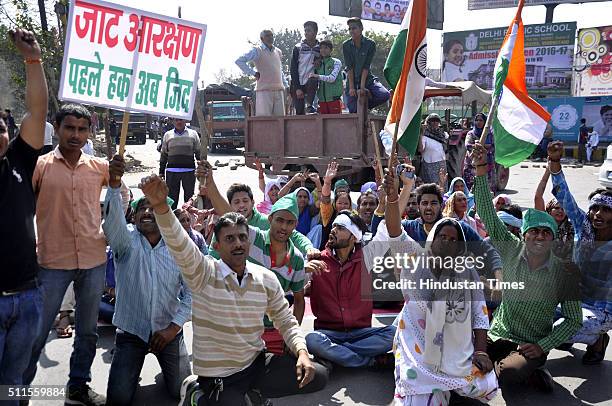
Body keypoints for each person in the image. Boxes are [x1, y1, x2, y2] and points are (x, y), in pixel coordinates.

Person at [137, 175, 328, 405]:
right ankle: (196, 393)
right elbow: (180, 243)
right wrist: (160, 207)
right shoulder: (203, 273)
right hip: (219, 376)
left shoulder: (265, 278)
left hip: (255, 364)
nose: (237, 243)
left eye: (242, 237)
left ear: (249, 242)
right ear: (216, 246)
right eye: (229, 238)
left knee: (318, 376)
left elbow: (285, 320)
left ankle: (252, 396)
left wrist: (302, 352)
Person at [471, 143, 582, 392]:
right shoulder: (510, 247)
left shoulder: (565, 272)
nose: (540, 237)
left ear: (553, 238)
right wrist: (480, 170)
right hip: (497, 333)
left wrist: (544, 344)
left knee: (509, 374)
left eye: (546, 232)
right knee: (460, 355)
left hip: (530, 344)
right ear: (524, 235)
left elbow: (574, 319)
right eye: (534, 232)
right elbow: (488, 214)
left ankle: (528, 370)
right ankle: (504, 369)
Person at [25, 103, 109, 405]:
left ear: (89, 132)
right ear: (56, 128)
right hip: (51, 262)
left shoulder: (101, 168)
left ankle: (78, 386)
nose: (76, 135)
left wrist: (118, 181)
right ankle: (18, 393)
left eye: (82, 129)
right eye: (69, 128)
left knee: (87, 332)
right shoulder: (40, 167)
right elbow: (22, 211)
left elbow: (118, 204)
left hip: (93, 259)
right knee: (35, 335)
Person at [306, 167, 419, 369]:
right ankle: (368, 361)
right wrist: (304, 271)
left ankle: (338, 356)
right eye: (333, 227)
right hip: (328, 332)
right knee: (312, 340)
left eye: (340, 228)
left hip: (361, 332)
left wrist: (406, 187)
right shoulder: (317, 261)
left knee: (394, 334)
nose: (333, 231)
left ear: (353, 237)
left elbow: (389, 226)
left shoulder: (366, 256)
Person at [103, 155, 192, 404]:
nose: (147, 212)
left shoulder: (180, 246)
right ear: (134, 216)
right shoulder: (125, 240)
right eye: (142, 207)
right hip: (131, 333)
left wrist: (173, 328)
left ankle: (168, 368)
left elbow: (192, 291)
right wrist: (113, 184)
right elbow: (112, 224)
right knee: (118, 399)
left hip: (169, 332)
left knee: (180, 391)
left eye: (153, 207)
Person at [390, 217, 498, 405]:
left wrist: (481, 352)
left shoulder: (467, 272)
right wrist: (392, 199)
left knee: (486, 385)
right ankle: (439, 392)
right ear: (432, 239)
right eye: (442, 237)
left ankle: (449, 390)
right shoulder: (415, 263)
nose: (447, 242)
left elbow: (480, 315)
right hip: (418, 351)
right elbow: (394, 231)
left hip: (454, 351)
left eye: (453, 239)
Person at [0, 29, 47, 404]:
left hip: (28, 297)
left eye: (0, 128)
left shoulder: (18, 159)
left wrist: (33, 59)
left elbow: (37, 111)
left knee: (16, 383)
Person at [547, 141, 612, 365]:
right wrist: (555, 163)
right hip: (572, 300)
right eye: (595, 208)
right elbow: (564, 197)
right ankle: (567, 336)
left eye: (606, 210)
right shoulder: (583, 227)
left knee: (559, 330)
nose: (598, 214)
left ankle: (597, 340)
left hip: (602, 309)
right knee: (537, 315)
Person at [236, 29, 289, 116]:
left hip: (279, 90)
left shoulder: (278, 51)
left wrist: (286, 85)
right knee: (264, 120)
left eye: (271, 35)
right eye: (267, 36)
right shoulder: (257, 50)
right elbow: (239, 61)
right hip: (264, 91)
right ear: (262, 38)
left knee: (280, 121)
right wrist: (253, 73)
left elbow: (280, 70)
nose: (270, 38)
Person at [343, 17, 390, 113]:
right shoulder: (346, 45)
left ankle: (365, 104)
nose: (351, 31)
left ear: (361, 29)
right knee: (353, 110)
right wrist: (352, 88)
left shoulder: (370, 44)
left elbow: (366, 67)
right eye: (349, 29)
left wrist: (362, 87)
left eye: (354, 28)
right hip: (352, 81)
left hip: (367, 79)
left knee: (384, 95)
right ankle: (362, 105)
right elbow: (349, 67)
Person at [159, 118, 201, 209]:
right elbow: (164, 155)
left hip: (189, 171)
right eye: (176, 120)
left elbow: (198, 153)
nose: (179, 122)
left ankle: (189, 220)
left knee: (189, 199)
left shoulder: (193, 134)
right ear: (173, 121)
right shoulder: (167, 135)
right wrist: (161, 172)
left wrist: (202, 168)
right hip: (172, 171)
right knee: (171, 199)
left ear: (185, 121)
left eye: (181, 120)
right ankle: (172, 220)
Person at [290, 21, 320, 115]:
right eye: (305, 30)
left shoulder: (321, 48)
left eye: (309, 30)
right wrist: (297, 88)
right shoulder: (298, 47)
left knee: (314, 79)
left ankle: (309, 105)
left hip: (311, 83)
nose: (306, 33)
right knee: (299, 113)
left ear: (315, 32)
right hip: (297, 83)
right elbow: (293, 68)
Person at [464, 113, 495, 192]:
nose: (478, 122)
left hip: (486, 164)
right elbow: (467, 145)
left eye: (481, 120)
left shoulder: (490, 134)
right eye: (477, 120)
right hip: (472, 165)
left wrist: (484, 147)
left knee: (486, 188)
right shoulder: (471, 134)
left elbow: (493, 146)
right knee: (472, 189)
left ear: (485, 122)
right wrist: (479, 146)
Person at [311, 40, 343, 115]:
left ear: (331, 50)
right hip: (322, 100)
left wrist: (318, 76)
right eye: (321, 48)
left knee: (336, 124)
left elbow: (332, 79)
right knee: (323, 125)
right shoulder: (318, 64)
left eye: (326, 48)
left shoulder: (336, 62)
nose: (323, 50)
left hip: (334, 100)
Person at [419, 114, 448, 184]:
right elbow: (420, 150)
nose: (435, 123)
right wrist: (421, 135)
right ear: (428, 122)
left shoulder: (443, 134)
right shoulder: (424, 136)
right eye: (432, 121)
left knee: (442, 184)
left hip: (442, 164)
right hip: (429, 165)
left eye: (437, 121)